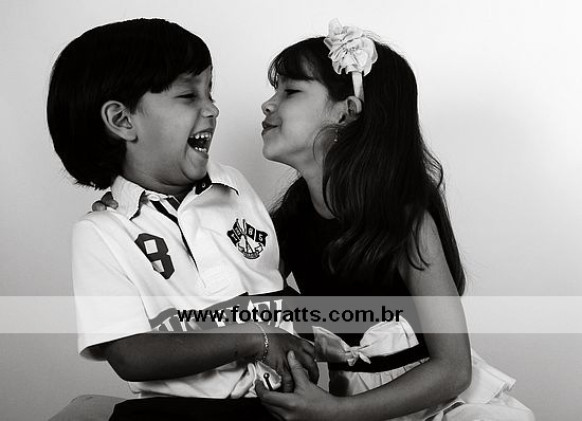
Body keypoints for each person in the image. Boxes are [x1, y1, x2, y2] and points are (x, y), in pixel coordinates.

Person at [255, 19, 534, 420]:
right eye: (274, 90)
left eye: (290, 91)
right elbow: (251, 309)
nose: (268, 104)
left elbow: (453, 369)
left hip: (436, 405)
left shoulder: (405, 223)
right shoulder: (283, 226)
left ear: (347, 113)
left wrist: (336, 412)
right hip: (349, 407)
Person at [46, 18, 317, 410]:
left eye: (210, 91)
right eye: (189, 95)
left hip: (272, 402)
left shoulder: (234, 187)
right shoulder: (102, 232)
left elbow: (270, 287)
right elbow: (129, 355)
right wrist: (250, 337)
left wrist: (307, 342)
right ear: (122, 120)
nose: (213, 108)